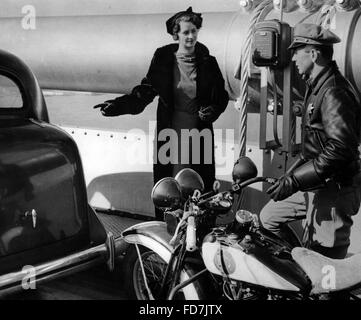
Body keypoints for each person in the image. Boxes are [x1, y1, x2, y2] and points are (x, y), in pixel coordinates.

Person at [94, 7, 229, 220]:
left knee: (199, 188)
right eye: (186, 32)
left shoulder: (208, 62)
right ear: (176, 34)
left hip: (199, 134)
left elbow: (221, 96)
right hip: (171, 134)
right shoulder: (163, 58)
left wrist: (214, 109)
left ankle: (200, 237)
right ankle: (169, 236)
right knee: (170, 188)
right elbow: (146, 91)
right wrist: (118, 106)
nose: (191, 36)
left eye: (194, 31)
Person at [260, 23, 361, 259]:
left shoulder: (333, 92)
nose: (293, 57)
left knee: (324, 268)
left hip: (335, 188)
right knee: (268, 219)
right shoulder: (316, 85)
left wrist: (295, 181)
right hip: (316, 183)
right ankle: (297, 264)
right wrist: (289, 178)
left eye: (298, 50)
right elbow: (313, 149)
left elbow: (340, 150)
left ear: (314, 54)